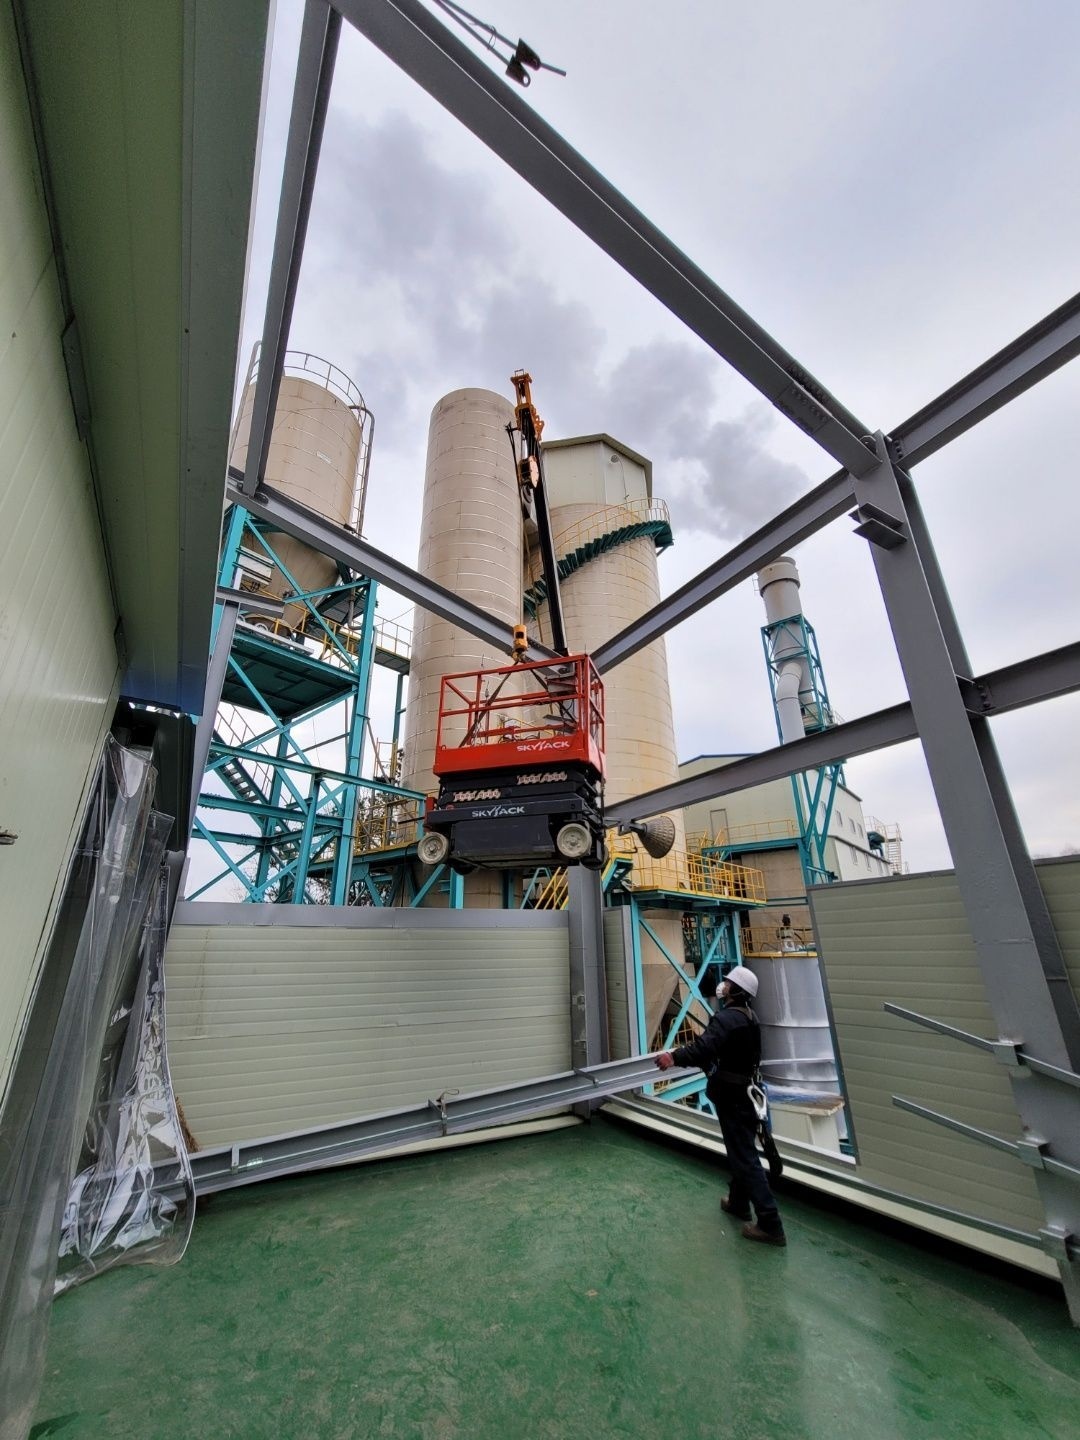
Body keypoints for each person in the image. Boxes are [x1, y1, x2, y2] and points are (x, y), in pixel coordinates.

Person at [655, 965, 786, 1247]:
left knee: (745, 1157)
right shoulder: (750, 1017)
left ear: (737, 991)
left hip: (733, 1097)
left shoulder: (727, 1019)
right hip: (746, 1094)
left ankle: (770, 1223)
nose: (723, 985)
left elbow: (703, 1048)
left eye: (728, 983)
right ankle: (739, 1202)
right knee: (740, 1150)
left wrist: (673, 1057)